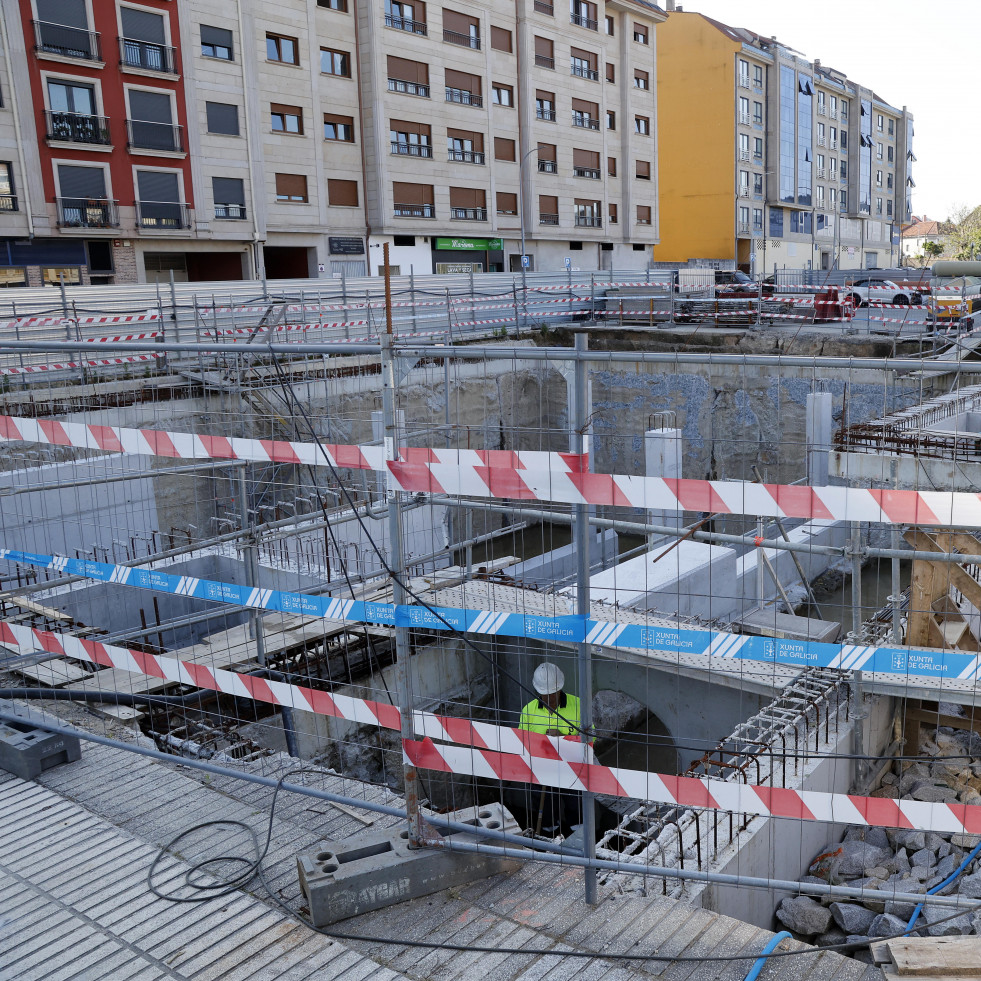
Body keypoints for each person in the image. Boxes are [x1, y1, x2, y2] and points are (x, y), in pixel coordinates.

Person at [518, 662, 582, 836]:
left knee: (575, 808)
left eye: (552, 694)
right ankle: (549, 840)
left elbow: (592, 738)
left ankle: (576, 840)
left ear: (560, 688)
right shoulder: (528, 711)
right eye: (544, 694)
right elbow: (521, 743)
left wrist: (563, 738)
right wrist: (542, 743)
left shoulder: (578, 706)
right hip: (542, 772)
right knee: (546, 813)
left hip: (572, 770)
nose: (549, 698)